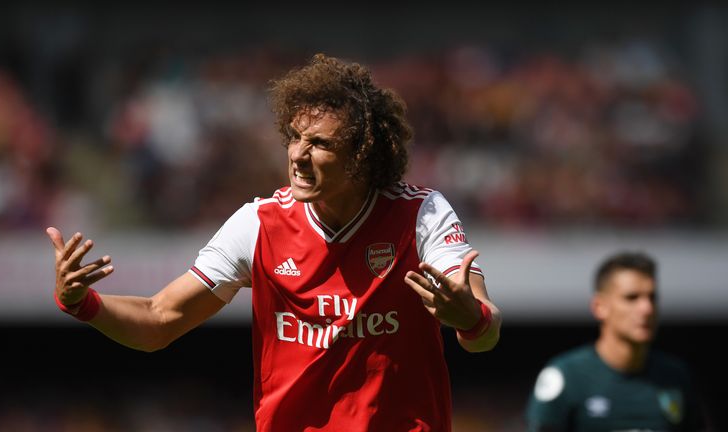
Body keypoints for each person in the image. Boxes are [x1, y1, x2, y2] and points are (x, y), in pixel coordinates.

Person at [46, 53, 502, 431]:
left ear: (364, 156)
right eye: (295, 137)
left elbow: (483, 333)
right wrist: (83, 303)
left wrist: (471, 319)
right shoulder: (259, 224)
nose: (299, 155)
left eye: (320, 143)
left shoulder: (420, 214)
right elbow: (159, 319)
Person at [525, 251, 706, 432]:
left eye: (652, 297)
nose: (647, 308)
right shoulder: (565, 377)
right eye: (631, 298)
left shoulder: (675, 377)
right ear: (599, 307)